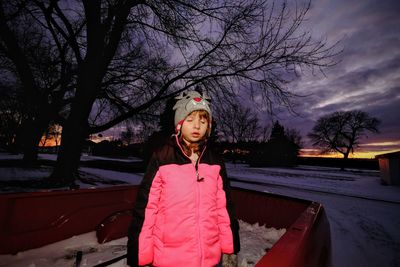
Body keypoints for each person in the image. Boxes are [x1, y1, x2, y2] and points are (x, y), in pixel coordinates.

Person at [127, 91, 240, 267]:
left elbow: (224, 210)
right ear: (179, 124)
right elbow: (146, 211)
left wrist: (230, 248)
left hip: (210, 259)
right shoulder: (162, 158)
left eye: (203, 121)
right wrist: (141, 256)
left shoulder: (215, 161)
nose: (197, 126)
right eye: (190, 120)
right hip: (169, 259)